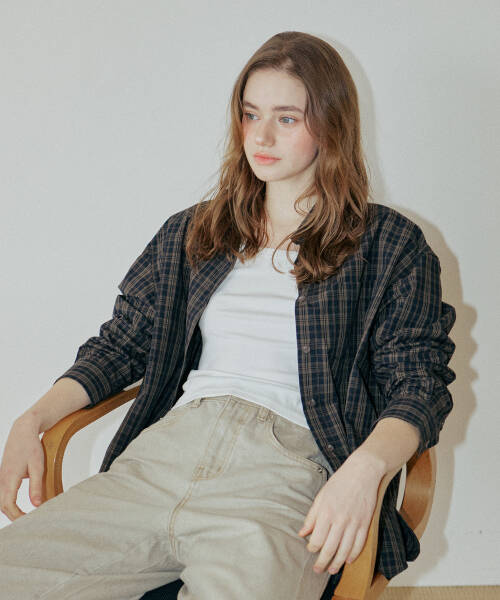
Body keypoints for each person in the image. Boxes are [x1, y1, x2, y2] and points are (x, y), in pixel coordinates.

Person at [0, 31, 457, 600]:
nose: (260, 137)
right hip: (161, 458)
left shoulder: (389, 245)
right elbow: (121, 343)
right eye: (250, 114)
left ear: (331, 125)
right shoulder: (193, 232)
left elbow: (418, 385)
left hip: (288, 476)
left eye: (287, 118)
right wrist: (32, 419)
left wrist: (364, 470)